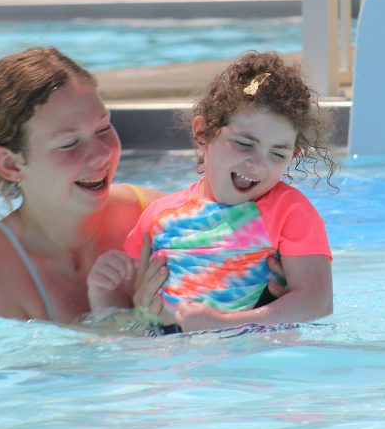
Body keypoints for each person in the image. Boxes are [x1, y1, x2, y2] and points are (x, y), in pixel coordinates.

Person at [88, 50, 337, 333]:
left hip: (250, 354)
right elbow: (133, 308)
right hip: (166, 355)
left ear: (293, 155)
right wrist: (103, 293)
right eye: (244, 144)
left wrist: (223, 324)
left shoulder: (289, 211)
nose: (257, 164)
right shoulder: (160, 216)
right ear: (203, 132)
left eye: (277, 153)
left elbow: (317, 300)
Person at [0, 46, 170, 323]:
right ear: (10, 164)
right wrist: (139, 324)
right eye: (68, 144)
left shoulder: (157, 217)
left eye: (103, 128)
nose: (101, 155)